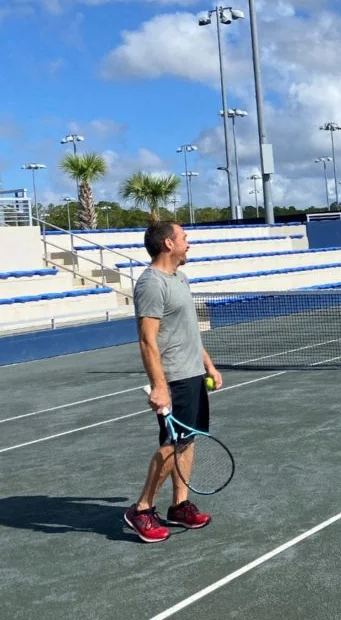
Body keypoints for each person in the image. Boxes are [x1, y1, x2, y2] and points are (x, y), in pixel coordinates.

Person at [123, 221, 223, 543]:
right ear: (168, 244)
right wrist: (160, 386)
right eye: (184, 238)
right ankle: (141, 509)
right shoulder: (151, 284)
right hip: (174, 379)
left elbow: (187, 330)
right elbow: (146, 340)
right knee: (171, 444)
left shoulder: (180, 277)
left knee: (188, 440)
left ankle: (179, 505)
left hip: (192, 373)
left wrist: (208, 364)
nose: (188, 244)